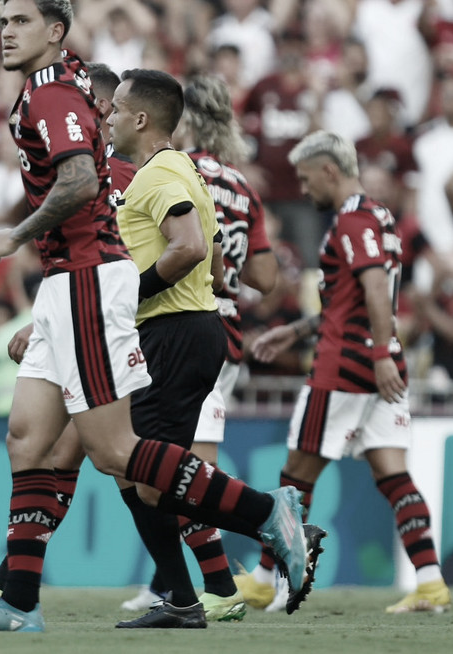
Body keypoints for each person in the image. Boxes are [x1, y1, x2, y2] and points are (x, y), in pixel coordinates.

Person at [0, 0, 322, 633]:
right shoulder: (62, 71)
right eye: (2, 19)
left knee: (116, 454)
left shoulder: (50, 100)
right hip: (65, 281)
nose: (1, 28)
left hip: (86, 274)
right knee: (29, 439)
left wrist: (14, 233)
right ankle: (18, 603)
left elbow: (77, 183)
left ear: (54, 30)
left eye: (17, 23)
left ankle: (266, 515)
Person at [246, 130, 452, 614]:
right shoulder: (379, 215)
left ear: (329, 171)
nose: (302, 188)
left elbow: (376, 289)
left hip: (346, 366)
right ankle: (430, 582)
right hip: (381, 363)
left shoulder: (354, 219)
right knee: (393, 475)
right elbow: (349, 300)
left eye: (304, 177)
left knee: (294, 476)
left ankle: (266, 578)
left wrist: (378, 351)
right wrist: (297, 331)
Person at [122, 74, 280, 616]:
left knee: (173, 468)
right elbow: (264, 276)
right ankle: (187, 589)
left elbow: (191, 250)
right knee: (154, 465)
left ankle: (229, 574)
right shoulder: (238, 184)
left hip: (179, 325)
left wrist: (131, 291)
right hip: (221, 330)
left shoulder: (169, 169)